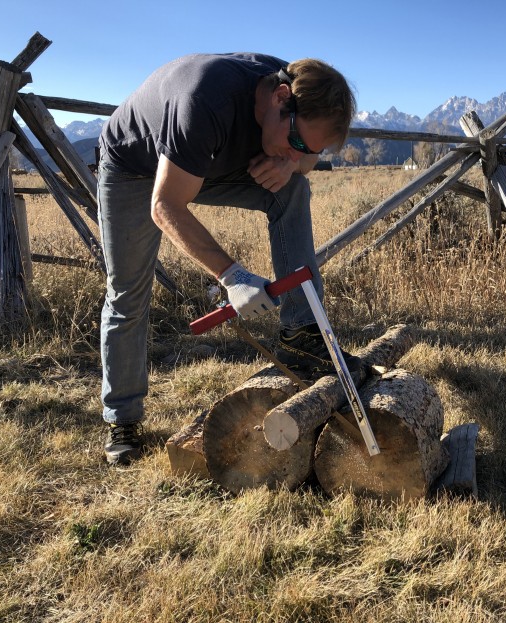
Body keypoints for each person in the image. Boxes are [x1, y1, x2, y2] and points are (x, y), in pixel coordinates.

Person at [96, 53, 359, 465]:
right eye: (295, 143)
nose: (298, 155)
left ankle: (302, 334)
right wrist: (232, 275)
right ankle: (123, 420)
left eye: (310, 149)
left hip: (203, 161)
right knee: (128, 293)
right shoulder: (205, 101)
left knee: (291, 190)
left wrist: (292, 165)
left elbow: (307, 157)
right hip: (135, 167)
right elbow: (165, 205)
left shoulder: (300, 96)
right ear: (280, 98)